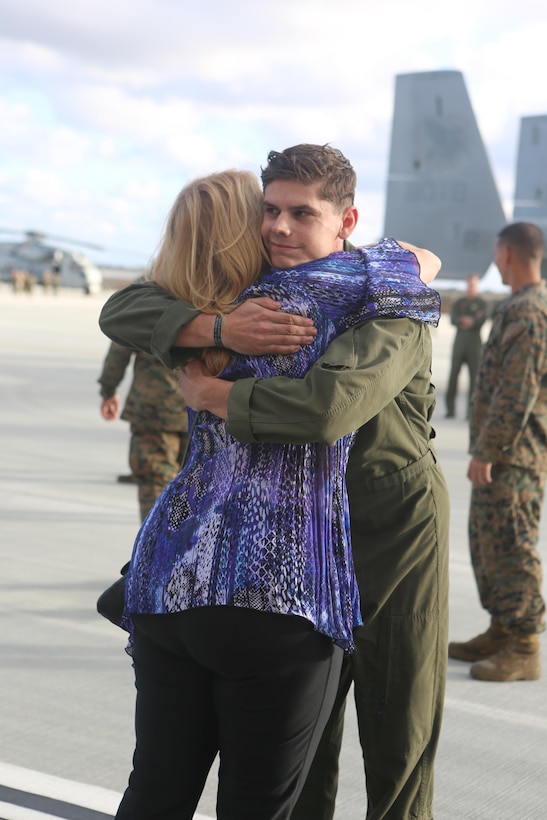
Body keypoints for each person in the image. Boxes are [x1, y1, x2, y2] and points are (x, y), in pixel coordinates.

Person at [100, 144, 449, 820]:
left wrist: (213, 396)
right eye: (269, 212)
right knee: (303, 744)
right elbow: (128, 308)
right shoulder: (254, 291)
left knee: (396, 723)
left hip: (385, 529)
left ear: (346, 222)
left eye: (301, 213)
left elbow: (326, 409)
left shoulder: (387, 297)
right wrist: (218, 326)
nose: (279, 228)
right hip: (297, 541)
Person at [448, 222, 547, 681]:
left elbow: (517, 391)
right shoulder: (516, 306)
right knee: (488, 543)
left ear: (507, 254)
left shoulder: (530, 311)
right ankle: (502, 628)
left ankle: (524, 646)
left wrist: (488, 450)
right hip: (503, 451)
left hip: (515, 456)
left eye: (495, 253)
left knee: (510, 545)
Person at [97, 338, 189, 520]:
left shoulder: (147, 308)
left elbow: (121, 343)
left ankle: (155, 543)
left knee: (156, 481)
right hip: (201, 406)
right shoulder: (213, 308)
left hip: (153, 406)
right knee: (195, 483)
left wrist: (108, 389)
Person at [445, 274, 488, 418]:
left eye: (473, 285)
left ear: (477, 286)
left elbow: (481, 319)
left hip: (474, 343)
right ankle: (450, 410)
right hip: (460, 342)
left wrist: (470, 321)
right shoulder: (459, 303)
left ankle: (471, 412)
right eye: (469, 285)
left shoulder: (482, 303)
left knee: (474, 378)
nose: (471, 288)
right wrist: (466, 320)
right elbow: (453, 319)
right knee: (453, 376)